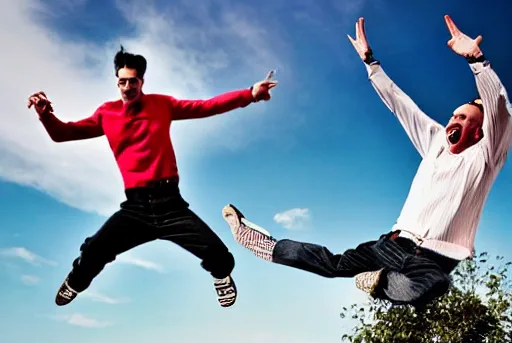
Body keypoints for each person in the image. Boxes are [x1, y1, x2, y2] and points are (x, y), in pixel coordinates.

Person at [222, 15, 511, 310]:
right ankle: (263, 243)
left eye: (463, 119)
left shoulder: (486, 156)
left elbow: (500, 111)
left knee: (435, 286)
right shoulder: (436, 141)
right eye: (453, 116)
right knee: (333, 264)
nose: (453, 121)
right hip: (392, 244)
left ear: (479, 131)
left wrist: (477, 60)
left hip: (433, 259)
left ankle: (380, 283)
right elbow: (402, 104)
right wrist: (371, 63)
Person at [27, 46, 277, 308]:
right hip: (136, 208)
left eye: (132, 81)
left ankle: (222, 277)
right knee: (93, 250)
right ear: (117, 82)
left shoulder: (162, 104)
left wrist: (250, 94)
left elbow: (206, 107)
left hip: (171, 205)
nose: (126, 87)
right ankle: (75, 283)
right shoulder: (106, 114)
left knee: (220, 256)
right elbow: (63, 134)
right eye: (121, 82)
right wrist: (45, 114)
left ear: (141, 82)